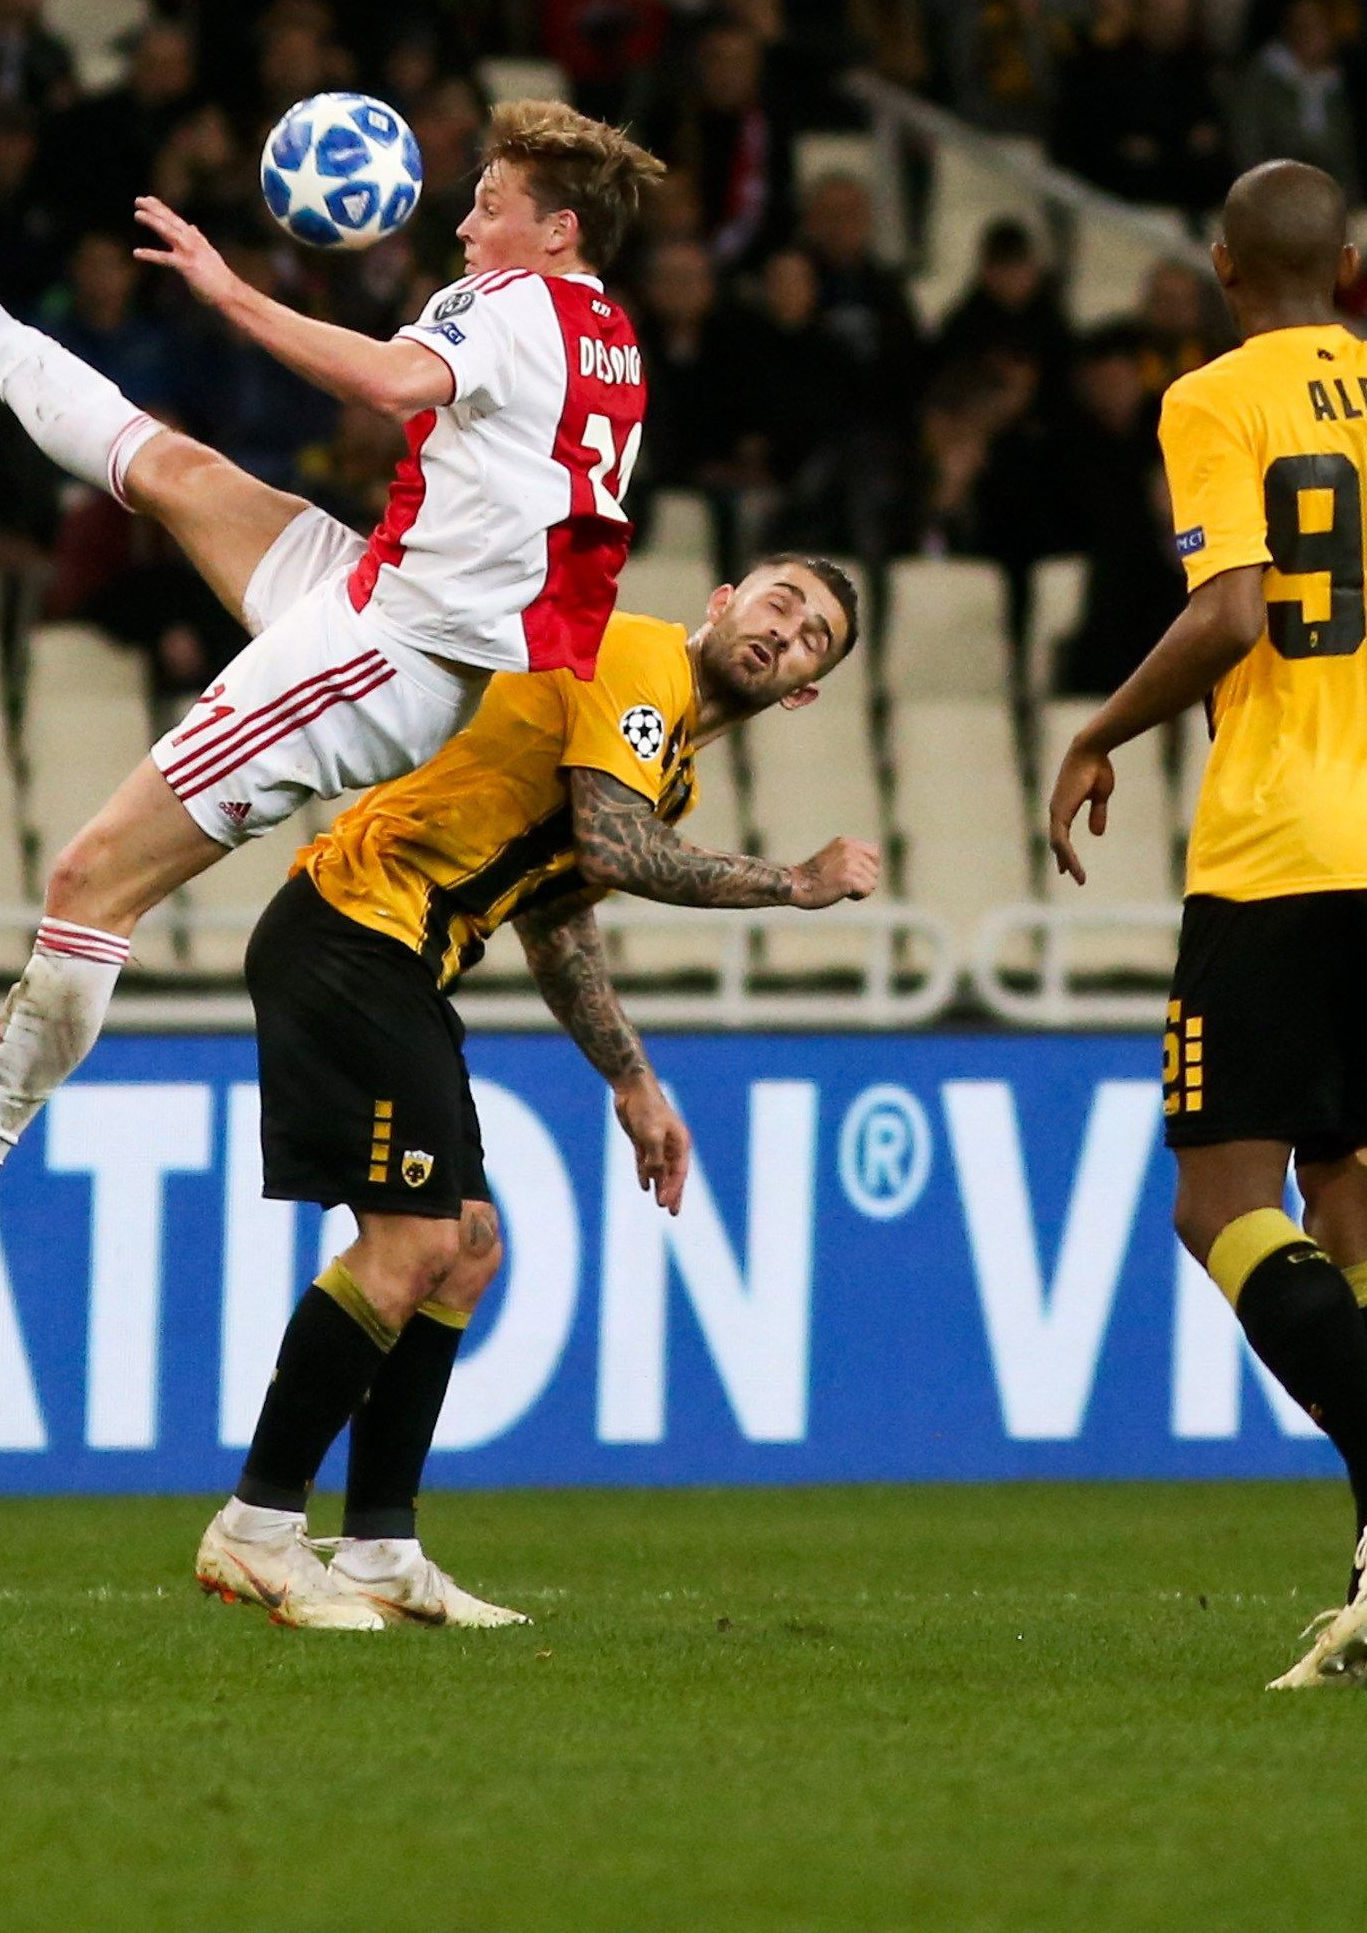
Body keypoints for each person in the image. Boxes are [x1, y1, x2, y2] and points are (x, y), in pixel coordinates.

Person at [0, 101, 666, 1248]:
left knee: (91, 876)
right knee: (176, 471)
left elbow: (391, 384)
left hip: (378, 656)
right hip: (389, 604)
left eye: (487, 206)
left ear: (556, 231)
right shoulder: (612, 336)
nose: (463, 226)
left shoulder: (514, 302)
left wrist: (230, 291)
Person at [1043, 159, 1367, 1689]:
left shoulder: (1211, 399)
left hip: (1278, 853)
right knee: (1360, 1222)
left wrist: (1098, 730)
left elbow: (1230, 611)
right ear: (1346, 262)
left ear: (1222, 267)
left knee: (1218, 1208)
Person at [196, 552, 878, 1630]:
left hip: (397, 950)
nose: (784, 630)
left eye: (812, 639)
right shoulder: (639, 654)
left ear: (801, 692)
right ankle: (256, 1528)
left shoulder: (667, 762)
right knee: (414, 1243)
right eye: (778, 602)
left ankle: (378, 1546)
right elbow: (616, 842)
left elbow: (555, 911)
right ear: (722, 601)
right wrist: (793, 883)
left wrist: (630, 1078)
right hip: (351, 926)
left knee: (463, 1247)